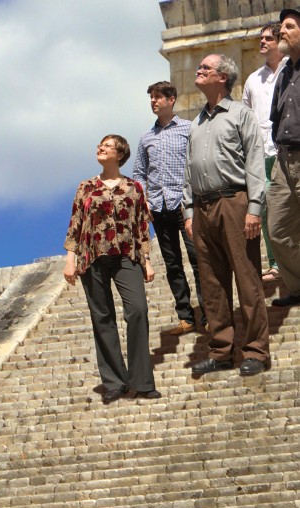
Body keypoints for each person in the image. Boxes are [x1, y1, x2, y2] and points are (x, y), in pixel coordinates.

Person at [183, 54, 270, 377]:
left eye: (206, 67)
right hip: (202, 208)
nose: (199, 70)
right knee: (212, 285)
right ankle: (220, 351)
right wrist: (189, 211)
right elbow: (187, 170)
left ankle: (256, 351)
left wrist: (254, 208)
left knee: (248, 282)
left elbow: (255, 162)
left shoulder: (241, 114)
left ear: (222, 77)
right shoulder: (196, 123)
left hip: (234, 202)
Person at [63, 134, 159, 403]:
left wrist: (147, 260)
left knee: (137, 310)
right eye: (99, 145)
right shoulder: (86, 186)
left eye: (107, 146)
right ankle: (114, 382)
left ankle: (141, 381)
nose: (100, 148)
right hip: (92, 257)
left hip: (126, 257)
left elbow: (142, 226)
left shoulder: (134, 187)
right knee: (102, 318)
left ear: (120, 154)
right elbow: (76, 224)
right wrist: (70, 260)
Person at [133, 81, 206, 334]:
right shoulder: (146, 139)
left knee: (197, 259)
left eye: (158, 97)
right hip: (157, 206)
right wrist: (144, 203)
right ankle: (185, 316)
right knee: (172, 264)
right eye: (151, 98)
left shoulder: (189, 128)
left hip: (185, 204)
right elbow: (139, 173)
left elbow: (197, 162)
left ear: (171, 99)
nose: (153, 102)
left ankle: (208, 314)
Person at [242, 22, 287, 282]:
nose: (262, 42)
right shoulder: (252, 80)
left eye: (268, 38)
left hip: (290, 149)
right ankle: (275, 263)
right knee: (267, 208)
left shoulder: (293, 69)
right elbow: (247, 118)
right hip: (263, 154)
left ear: (279, 41)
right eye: (261, 38)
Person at [268, 7, 300, 307]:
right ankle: (298, 286)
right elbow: (275, 118)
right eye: (281, 27)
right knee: (277, 229)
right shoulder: (285, 72)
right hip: (283, 158)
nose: (282, 31)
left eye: (289, 26)